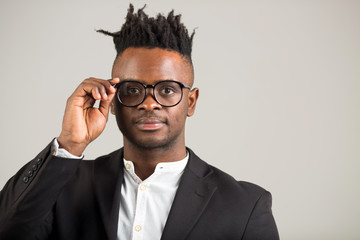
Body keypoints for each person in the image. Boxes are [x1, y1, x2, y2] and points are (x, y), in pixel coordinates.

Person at [0, 4, 279, 240]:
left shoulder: (245, 205)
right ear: (111, 101)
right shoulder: (62, 183)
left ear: (191, 102)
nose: (149, 102)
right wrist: (70, 143)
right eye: (132, 90)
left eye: (167, 89)